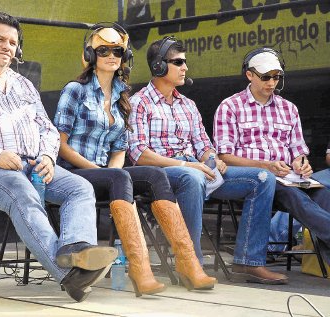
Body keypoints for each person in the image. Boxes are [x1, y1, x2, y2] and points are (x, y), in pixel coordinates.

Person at [0, 12, 118, 303]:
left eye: (12, 42)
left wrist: (47, 156)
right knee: (21, 189)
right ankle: (70, 275)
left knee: (79, 187)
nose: (7, 46)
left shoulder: (23, 85)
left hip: (33, 163)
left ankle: (75, 251)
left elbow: (47, 128)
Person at [53, 24, 216, 296]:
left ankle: (189, 265)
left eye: (117, 50)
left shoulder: (121, 96)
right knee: (119, 176)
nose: (111, 55)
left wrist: (112, 172)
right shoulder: (75, 90)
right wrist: (100, 171)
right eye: (102, 50)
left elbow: (119, 149)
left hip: (107, 173)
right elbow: (59, 144)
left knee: (155, 175)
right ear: (90, 54)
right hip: (73, 172)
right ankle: (140, 270)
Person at [127, 37, 287, 284]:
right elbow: (139, 154)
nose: (185, 68)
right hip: (161, 173)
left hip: (198, 169)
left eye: (185, 62)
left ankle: (248, 262)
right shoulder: (139, 103)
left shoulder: (188, 105)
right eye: (178, 62)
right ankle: (190, 263)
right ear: (159, 66)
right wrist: (188, 165)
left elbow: (203, 145)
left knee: (263, 178)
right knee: (193, 178)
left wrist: (212, 158)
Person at [213, 47, 330, 266]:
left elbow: (298, 152)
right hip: (254, 176)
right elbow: (225, 156)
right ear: (250, 74)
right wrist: (266, 165)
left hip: (287, 175)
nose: (271, 82)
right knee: (294, 196)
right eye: (265, 77)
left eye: (276, 77)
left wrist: (301, 164)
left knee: (323, 195)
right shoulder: (230, 106)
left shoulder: (289, 109)